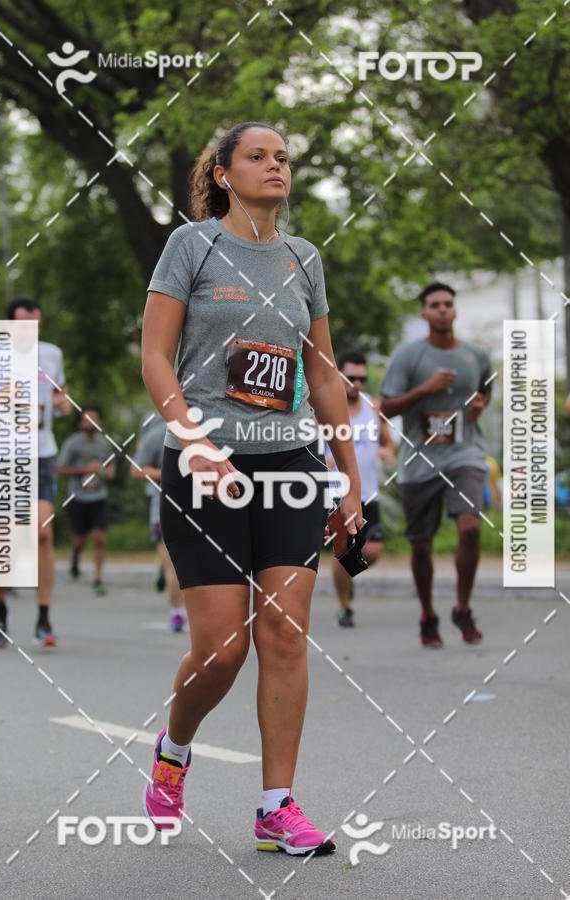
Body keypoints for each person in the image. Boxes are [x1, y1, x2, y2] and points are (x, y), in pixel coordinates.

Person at [140, 121, 364, 855]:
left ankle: (276, 807)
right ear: (223, 173)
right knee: (221, 652)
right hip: (207, 467)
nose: (276, 166)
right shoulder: (192, 246)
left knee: (285, 634)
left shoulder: (304, 258)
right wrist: (196, 443)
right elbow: (155, 357)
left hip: (289, 465)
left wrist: (347, 479)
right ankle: (174, 750)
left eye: (283, 158)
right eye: (258, 156)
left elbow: (323, 376)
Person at [380, 282, 492, 648]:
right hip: (419, 460)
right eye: (435, 305)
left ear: (454, 310)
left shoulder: (476, 355)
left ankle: (462, 608)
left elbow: (485, 391)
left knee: (470, 528)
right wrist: (426, 388)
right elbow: (386, 407)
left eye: (447, 304)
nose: (442, 309)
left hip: (465, 454)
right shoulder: (408, 356)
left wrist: (479, 407)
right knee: (421, 546)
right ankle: (428, 614)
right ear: (424, 313)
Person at [0, 297, 71, 648]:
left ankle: (44, 618)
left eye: (37, 326)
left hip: (41, 453)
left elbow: (61, 392)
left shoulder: (51, 354)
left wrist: (61, 402)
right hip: (2, 455)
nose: (33, 332)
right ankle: (0, 611)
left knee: (42, 533)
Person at [323, 350, 396, 627]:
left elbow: (388, 442)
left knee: (373, 550)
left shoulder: (373, 408)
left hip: (368, 492)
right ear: (339, 376)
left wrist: (387, 452)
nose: (357, 384)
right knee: (345, 551)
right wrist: (324, 460)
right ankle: (345, 606)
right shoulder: (326, 409)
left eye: (362, 379)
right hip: (338, 493)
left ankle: (348, 576)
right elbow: (307, 446)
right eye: (351, 378)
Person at [130, 413, 187, 632]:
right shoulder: (156, 431)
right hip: (162, 505)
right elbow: (136, 469)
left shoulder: (204, 425)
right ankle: (177, 613)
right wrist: (170, 473)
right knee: (173, 567)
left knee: (189, 566)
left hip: (201, 506)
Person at [58, 406, 115, 595]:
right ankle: (75, 555)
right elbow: (61, 469)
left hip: (99, 497)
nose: (92, 423)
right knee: (80, 539)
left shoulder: (104, 444)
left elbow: (110, 467)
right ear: (80, 423)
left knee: (100, 538)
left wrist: (106, 472)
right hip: (78, 497)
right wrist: (84, 470)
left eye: (95, 418)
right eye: (87, 419)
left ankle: (98, 578)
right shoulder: (72, 444)